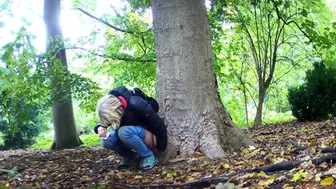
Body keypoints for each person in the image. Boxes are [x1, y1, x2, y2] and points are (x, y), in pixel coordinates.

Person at [94, 86, 168, 170]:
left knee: (123, 131)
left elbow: (158, 124)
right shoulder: (112, 105)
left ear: (116, 111)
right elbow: (106, 119)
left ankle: (149, 156)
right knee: (106, 141)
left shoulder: (137, 104)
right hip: (132, 133)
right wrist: (100, 127)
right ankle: (129, 156)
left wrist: (161, 147)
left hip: (148, 135)